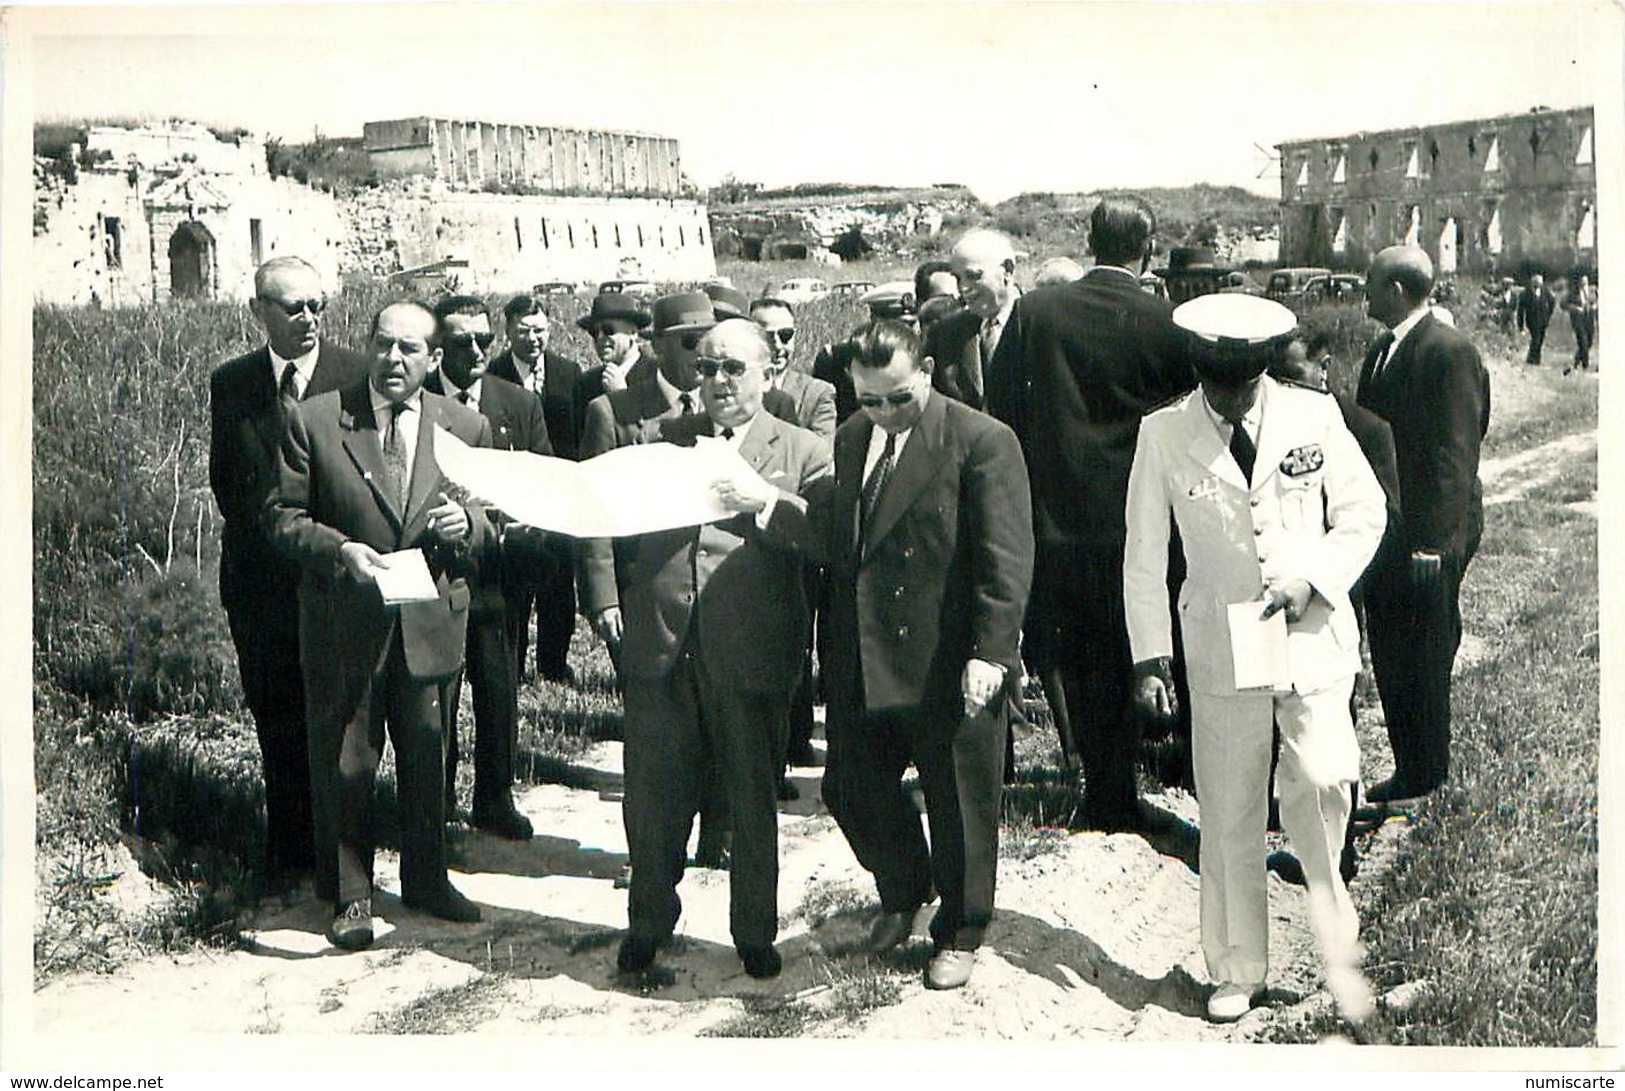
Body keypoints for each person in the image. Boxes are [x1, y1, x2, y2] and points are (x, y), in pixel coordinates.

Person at [1125, 293, 1385, 1025]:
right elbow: (1143, 556)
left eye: (1241, 384)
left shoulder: (1313, 416)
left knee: (1322, 775)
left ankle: (1336, 941)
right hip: (1219, 638)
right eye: (1216, 383)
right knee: (1230, 804)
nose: (1229, 399)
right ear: (1198, 370)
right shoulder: (1163, 434)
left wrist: (1313, 578)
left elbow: (1364, 513)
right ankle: (1236, 966)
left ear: (1264, 369)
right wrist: (1150, 657)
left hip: (1306, 629)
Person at [267, 300, 495, 949]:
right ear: (368, 345)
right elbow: (280, 517)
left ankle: (427, 877)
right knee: (346, 760)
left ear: (432, 358)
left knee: (429, 753)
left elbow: (491, 520)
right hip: (347, 620)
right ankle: (350, 893)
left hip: (430, 622)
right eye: (384, 345)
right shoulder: (314, 418)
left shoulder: (465, 426)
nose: (394, 360)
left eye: (411, 349)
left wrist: (469, 525)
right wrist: (339, 550)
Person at [814, 320, 1034, 991]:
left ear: (929, 371)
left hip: (948, 656)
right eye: (867, 399)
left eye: (896, 398)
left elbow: (1006, 558)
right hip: (866, 651)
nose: (881, 413)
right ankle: (905, 889)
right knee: (848, 785)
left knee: (959, 802)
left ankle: (961, 928)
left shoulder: (980, 440)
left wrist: (992, 653)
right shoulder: (852, 438)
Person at [610, 318, 832, 981]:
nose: (718, 382)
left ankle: (754, 934)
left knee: (750, 799)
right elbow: (612, 525)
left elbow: (825, 537)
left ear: (767, 372)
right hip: (664, 649)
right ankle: (646, 924)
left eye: (734, 367)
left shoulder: (801, 448)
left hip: (751, 648)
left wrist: (765, 502)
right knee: (652, 801)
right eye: (706, 367)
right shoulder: (659, 442)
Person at [986, 196, 1195, 830]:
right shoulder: (1167, 321)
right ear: (1149, 248)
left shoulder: (1035, 314)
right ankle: (1177, 773)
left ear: (1089, 240)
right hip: (1145, 520)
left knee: (1083, 659)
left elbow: (1004, 410)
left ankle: (1107, 793)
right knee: (1151, 647)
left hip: (1060, 520)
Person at [209, 256, 369, 895]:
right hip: (262, 586)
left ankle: (344, 860)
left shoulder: (354, 374)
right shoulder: (233, 383)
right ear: (259, 313)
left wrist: (324, 548)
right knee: (276, 716)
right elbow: (231, 485)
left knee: (341, 723)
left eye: (317, 306)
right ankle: (289, 850)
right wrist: (281, 543)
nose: (310, 319)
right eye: (294, 308)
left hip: (336, 577)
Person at [1356, 245, 1490, 806]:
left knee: (1427, 647)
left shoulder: (1448, 351)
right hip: (1388, 530)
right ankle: (1412, 765)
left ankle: (1429, 772)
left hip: (1430, 535)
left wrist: (1435, 543)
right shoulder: (1384, 350)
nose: (1363, 294)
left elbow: (1454, 457)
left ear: (1396, 290)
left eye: (1371, 284)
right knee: (1392, 647)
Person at [425, 295, 552, 840]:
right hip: (435, 576)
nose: (476, 351)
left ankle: (494, 798)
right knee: (439, 696)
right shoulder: (418, 402)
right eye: (461, 342)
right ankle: (439, 803)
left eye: (484, 340)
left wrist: (521, 523)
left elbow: (542, 483)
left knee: (499, 692)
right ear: (437, 350)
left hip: (498, 574)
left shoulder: (517, 404)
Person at [750, 297, 837, 787]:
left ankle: (794, 736)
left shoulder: (815, 391)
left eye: (787, 336)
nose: (780, 346)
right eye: (769, 335)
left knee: (796, 638)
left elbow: (817, 454)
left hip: (794, 524)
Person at [487, 294, 585, 684]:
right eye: (524, 331)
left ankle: (554, 663)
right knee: (517, 584)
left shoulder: (568, 372)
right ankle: (515, 663)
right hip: (515, 494)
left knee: (559, 583)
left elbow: (577, 433)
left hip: (560, 491)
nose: (533, 339)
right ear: (508, 332)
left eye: (540, 330)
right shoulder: (493, 374)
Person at [927, 228, 1021, 409]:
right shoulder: (945, 333)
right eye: (958, 278)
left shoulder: (1039, 323)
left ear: (1007, 271)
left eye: (973, 276)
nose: (964, 288)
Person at [571, 291, 656, 445]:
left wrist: (622, 398)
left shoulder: (656, 375)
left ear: (633, 332)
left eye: (608, 330)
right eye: (594, 332)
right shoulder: (586, 383)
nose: (600, 338)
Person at [1516, 272, 1556, 365]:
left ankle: (1536, 360)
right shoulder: (1525, 293)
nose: (1538, 284)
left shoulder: (1545, 291)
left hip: (1543, 321)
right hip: (1532, 321)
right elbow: (1520, 311)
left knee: (1540, 340)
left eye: (1540, 282)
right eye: (1536, 282)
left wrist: (1548, 315)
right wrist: (1520, 326)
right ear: (1532, 282)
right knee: (1536, 339)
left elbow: (1552, 302)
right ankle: (1530, 359)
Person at [1564, 274, 1597, 373]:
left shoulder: (1593, 291)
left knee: (1589, 342)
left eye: (1586, 281)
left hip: (1589, 319)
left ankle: (1577, 360)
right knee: (1583, 342)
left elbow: (1597, 301)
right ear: (1579, 282)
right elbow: (1563, 304)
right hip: (1578, 321)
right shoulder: (1573, 292)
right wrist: (1575, 308)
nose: (1584, 283)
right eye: (1582, 281)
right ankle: (1585, 366)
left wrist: (1595, 306)